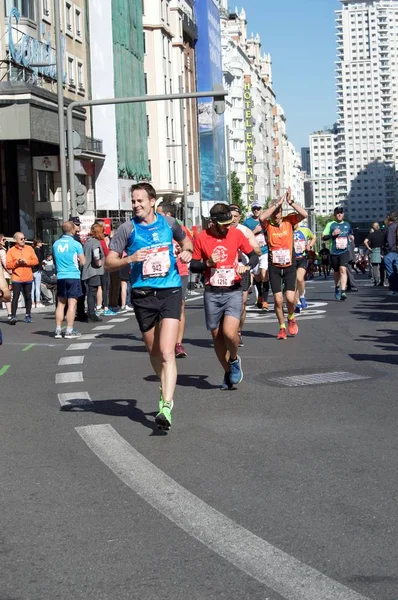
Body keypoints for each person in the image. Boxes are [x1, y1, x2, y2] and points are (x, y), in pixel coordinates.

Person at [106, 182, 193, 431]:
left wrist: (187, 252)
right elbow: (109, 263)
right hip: (143, 296)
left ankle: (166, 405)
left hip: (170, 291)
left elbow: (187, 243)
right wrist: (130, 258)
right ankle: (164, 384)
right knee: (154, 353)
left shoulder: (169, 223)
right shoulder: (126, 229)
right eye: (133, 201)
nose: (136, 205)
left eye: (140, 200)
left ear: (152, 201)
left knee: (167, 351)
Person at [190, 203, 259, 390]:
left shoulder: (236, 234)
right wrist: (207, 263)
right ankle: (228, 371)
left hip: (233, 290)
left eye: (230, 223)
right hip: (212, 292)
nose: (228, 227)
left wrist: (247, 266)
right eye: (224, 224)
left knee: (229, 333)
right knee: (216, 336)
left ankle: (235, 359)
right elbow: (193, 266)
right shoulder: (201, 238)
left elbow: (254, 256)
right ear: (213, 222)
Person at [259, 189, 308, 339]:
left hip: (289, 265)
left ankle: (291, 317)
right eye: (274, 211)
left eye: (279, 211)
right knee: (278, 300)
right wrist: (276, 204)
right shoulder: (267, 225)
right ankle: (281, 327)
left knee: (290, 298)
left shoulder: (289, 220)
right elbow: (261, 217)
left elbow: (305, 214)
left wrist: (290, 202)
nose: (277, 214)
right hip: (274, 266)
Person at [156, 201, 193, 358]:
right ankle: (162, 341)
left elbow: (190, 247)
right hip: (160, 273)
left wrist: (184, 250)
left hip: (179, 271)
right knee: (159, 308)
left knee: (180, 306)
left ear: (168, 215)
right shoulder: (154, 229)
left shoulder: (180, 229)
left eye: (159, 213)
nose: (155, 216)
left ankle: (177, 344)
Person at [229, 203, 262, 346]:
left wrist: (247, 246)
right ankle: (227, 330)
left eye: (236, 216)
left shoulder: (245, 231)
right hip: (225, 270)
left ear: (240, 217)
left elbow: (258, 251)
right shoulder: (222, 230)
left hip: (242, 269)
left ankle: (238, 332)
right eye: (230, 216)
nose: (233, 219)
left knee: (242, 303)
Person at [53, 221, 86, 339]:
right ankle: (69, 330)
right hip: (73, 275)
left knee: (61, 304)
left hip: (61, 275)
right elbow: (83, 261)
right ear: (72, 230)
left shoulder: (56, 244)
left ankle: (57, 329)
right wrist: (78, 259)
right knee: (72, 304)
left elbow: (54, 260)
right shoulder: (76, 244)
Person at [322, 206, 354, 301]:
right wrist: (332, 235)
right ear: (334, 215)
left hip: (344, 251)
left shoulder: (347, 224)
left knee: (343, 270)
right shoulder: (330, 225)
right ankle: (337, 287)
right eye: (337, 213)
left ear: (343, 214)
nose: (339, 214)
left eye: (341, 213)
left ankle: (343, 291)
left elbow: (350, 233)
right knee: (336, 272)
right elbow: (323, 237)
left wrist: (351, 236)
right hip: (334, 252)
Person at [6, 232, 39, 324]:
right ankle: (13, 316)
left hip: (28, 277)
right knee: (15, 297)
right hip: (17, 277)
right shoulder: (11, 251)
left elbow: (36, 261)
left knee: (28, 296)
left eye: (24, 238)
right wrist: (16, 263)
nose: (23, 240)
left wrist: (26, 262)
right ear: (15, 240)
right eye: (21, 239)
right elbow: (8, 265)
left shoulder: (29, 248)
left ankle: (28, 315)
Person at [243, 201, 270, 309]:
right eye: (254, 208)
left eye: (258, 208)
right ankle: (260, 296)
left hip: (265, 251)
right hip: (254, 252)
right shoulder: (247, 222)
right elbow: (244, 237)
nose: (256, 210)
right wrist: (255, 231)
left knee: (265, 275)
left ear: (261, 209)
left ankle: (265, 301)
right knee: (258, 277)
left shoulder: (265, 220)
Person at [81, 223, 105, 322]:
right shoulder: (95, 242)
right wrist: (99, 263)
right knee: (92, 292)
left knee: (90, 292)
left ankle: (90, 312)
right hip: (94, 271)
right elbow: (96, 254)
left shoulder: (87, 242)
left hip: (86, 270)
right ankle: (91, 313)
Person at [293, 223, 315, 313]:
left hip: (302, 258)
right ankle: (297, 303)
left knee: (299, 279)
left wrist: (309, 245)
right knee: (293, 283)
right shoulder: (288, 231)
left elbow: (313, 237)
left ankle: (302, 295)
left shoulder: (305, 229)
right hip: (291, 259)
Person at [383, 213, 398, 293]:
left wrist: (387, 250)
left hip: (391, 252)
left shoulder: (390, 227)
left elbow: (389, 241)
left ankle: (394, 289)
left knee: (391, 271)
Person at [0, 234, 12, 319]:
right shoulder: (2, 251)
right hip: (3, 276)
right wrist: (11, 272)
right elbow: (6, 264)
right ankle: (10, 313)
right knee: (6, 294)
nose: (5, 241)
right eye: (3, 240)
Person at [32, 238, 45, 309]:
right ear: (37, 243)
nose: (41, 243)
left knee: (32, 287)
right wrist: (42, 264)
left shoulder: (32, 250)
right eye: (40, 242)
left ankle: (32, 303)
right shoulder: (39, 251)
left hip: (32, 270)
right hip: (37, 270)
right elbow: (39, 260)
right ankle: (38, 302)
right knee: (37, 287)